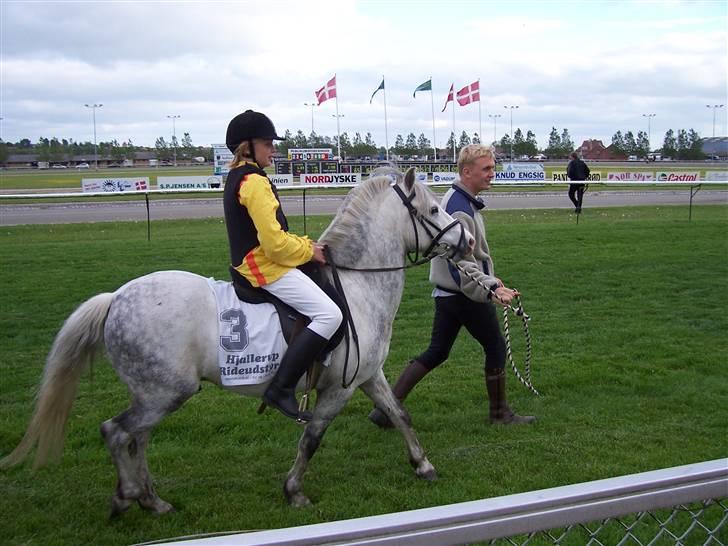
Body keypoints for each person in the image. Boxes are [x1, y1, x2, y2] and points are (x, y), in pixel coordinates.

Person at [369, 144, 535, 427]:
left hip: (449, 293)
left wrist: (491, 281)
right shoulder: (459, 207)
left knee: (437, 351)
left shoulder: (461, 199)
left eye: (493, 168)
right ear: (466, 172)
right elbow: (460, 265)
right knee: (495, 346)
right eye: (487, 169)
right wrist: (491, 289)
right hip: (464, 294)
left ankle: (384, 410)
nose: (492, 174)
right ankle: (500, 414)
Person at [223, 110, 342, 423]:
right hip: (262, 267)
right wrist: (308, 251)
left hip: (255, 261)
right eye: (267, 143)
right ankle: (281, 388)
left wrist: (305, 246)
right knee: (330, 314)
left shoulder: (240, 176)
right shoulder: (254, 183)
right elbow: (274, 245)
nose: (272, 149)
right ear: (246, 147)